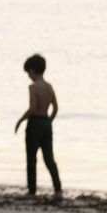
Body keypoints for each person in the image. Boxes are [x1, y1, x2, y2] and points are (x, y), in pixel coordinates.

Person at [14, 53, 61, 199]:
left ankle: (32, 190)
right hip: (46, 122)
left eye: (28, 72)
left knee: (31, 158)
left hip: (34, 123)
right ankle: (58, 189)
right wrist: (49, 121)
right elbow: (55, 107)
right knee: (49, 158)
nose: (28, 75)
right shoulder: (48, 87)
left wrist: (20, 120)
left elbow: (32, 108)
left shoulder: (33, 87)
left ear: (33, 70)